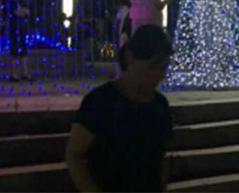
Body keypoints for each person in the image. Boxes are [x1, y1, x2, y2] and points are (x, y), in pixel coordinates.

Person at [65, 25, 174, 192]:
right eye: (151, 67)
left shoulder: (160, 105)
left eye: (163, 68)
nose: (158, 75)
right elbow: (74, 155)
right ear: (130, 58)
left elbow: (161, 158)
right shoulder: (100, 101)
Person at [4, 0, 32, 81]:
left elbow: (25, 12)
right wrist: (23, 11)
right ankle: (13, 74)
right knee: (15, 52)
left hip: (20, 30)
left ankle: (24, 73)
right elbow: (18, 12)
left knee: (23, 51)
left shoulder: (17, 2)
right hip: (14, 30)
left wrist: (23, 11)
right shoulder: (11, 3)